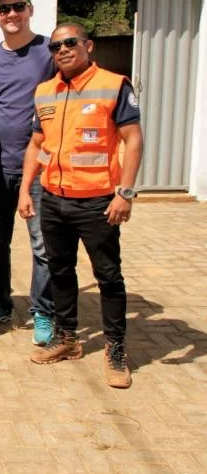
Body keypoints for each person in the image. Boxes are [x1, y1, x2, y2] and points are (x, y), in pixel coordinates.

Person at [19, 23, 143, 389]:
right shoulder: (45, 92)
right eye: (56, 46)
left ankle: (116, 349)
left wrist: (125, 193)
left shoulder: (113, 84)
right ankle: (67, 338)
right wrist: (26, 189)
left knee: (108, 277)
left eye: (70, 43)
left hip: (99, 202)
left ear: (88, 45)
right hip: (54, 199)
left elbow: (133, 141)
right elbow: (36, 145)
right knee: (59, 271)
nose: (63, 50)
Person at [0, 0, 57, 345]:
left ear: (30, 10)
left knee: (42, 246)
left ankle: (43, 311)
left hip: (38, 168)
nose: (11, 14)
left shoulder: (49, 52)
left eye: (18, 7)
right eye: (4, 9)